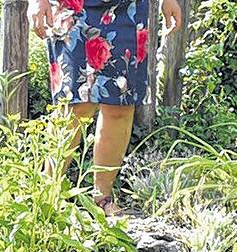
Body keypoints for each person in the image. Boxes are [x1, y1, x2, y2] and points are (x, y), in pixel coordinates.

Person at [31, 0, 182, 215]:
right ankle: (47, 193)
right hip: (72, 6)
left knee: (120, 103)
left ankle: (101, 198)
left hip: (128, 8)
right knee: (74, 104)